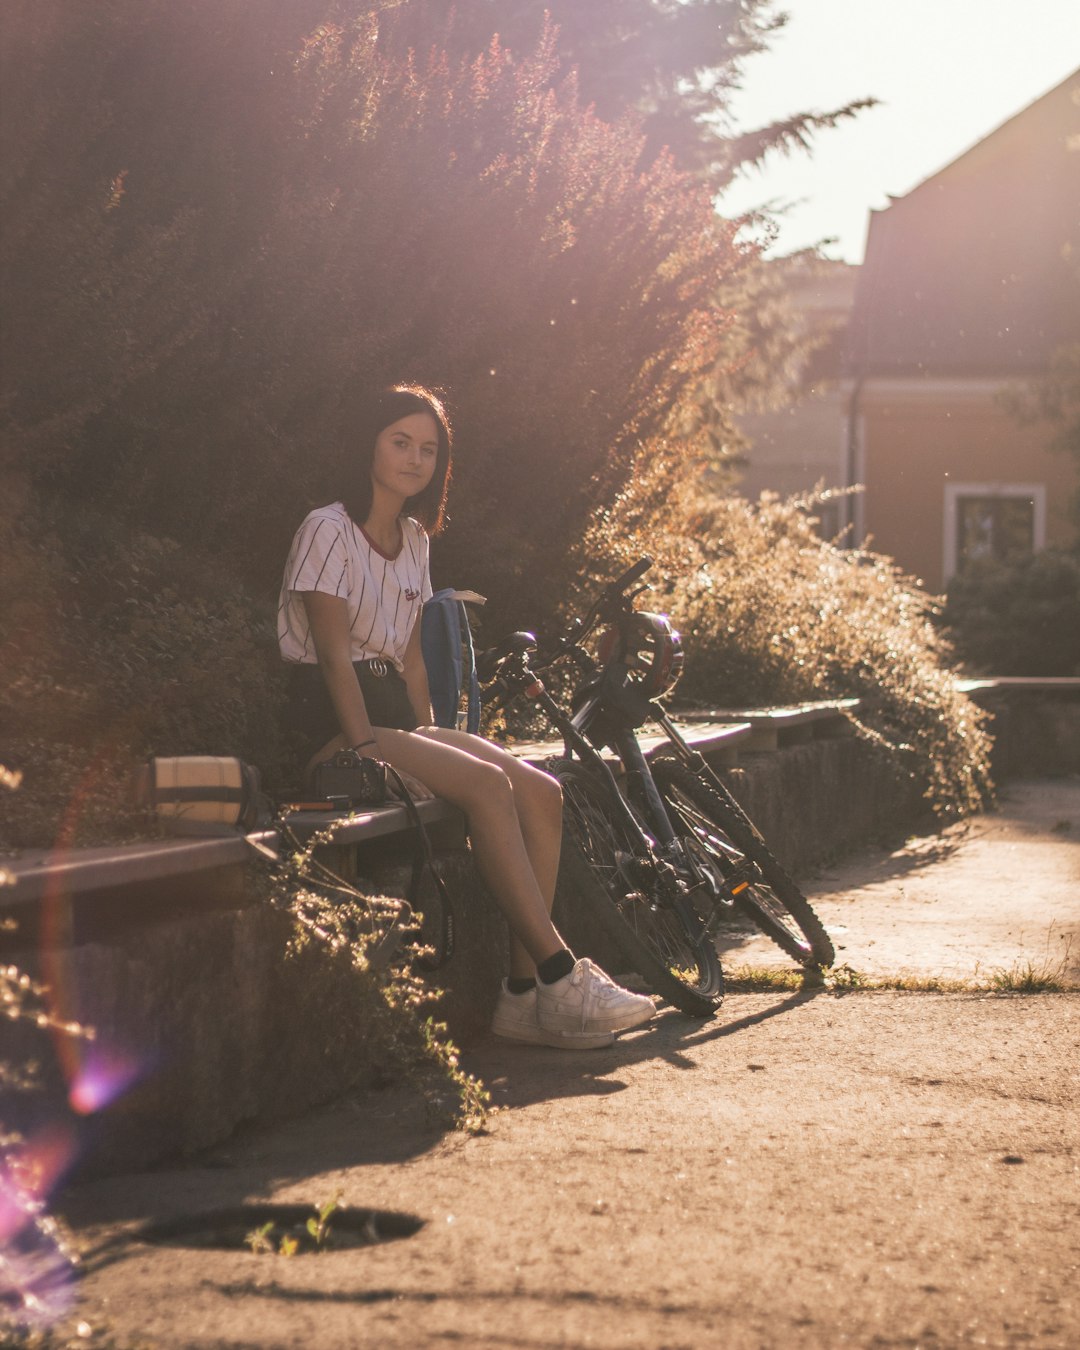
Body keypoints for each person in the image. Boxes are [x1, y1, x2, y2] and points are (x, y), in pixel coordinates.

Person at [278, 383, 654, 1049]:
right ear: (369, 442)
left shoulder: (415, 540)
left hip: (394, 714)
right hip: (334, 725)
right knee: (486, 786)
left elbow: (415, 661)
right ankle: (560, 973)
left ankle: (518, 998)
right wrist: (368, 747)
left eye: (428, 449)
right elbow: (335, 660)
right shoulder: (327, 529)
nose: (414, 459)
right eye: (400, 441)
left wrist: (430, 736)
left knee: (542, 791)